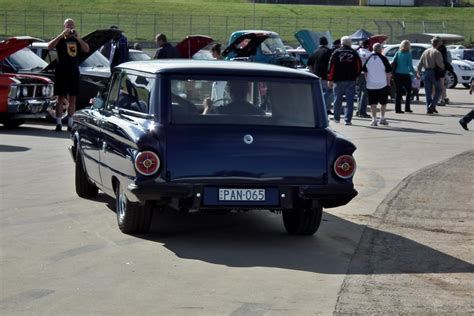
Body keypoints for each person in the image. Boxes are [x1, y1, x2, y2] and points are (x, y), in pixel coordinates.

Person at [48, 18, 90, 132]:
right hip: (61, 71)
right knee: (60, 98)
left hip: (73, 72)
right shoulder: (60, 39)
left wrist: (78, 38)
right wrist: (61, 35)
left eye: (72, 26)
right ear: (64, 26)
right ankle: (59, 123)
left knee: (73, 98)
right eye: (68, 25)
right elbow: (49, 46)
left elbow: (87, 49)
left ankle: (70, 124)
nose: (70, 28)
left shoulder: (76, 40)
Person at [327, 36, 362, 125]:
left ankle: (336, 118)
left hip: (338, 80)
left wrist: (330, 79)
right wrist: (355, 76)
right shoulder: (354, 53)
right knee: (350, 101)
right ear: (350, 43)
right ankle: (348, 120)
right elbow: (359, 67)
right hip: (351, 80)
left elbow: (331, 67)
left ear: (341, 43)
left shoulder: (336, 52)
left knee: (337, 100)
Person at [363, 43, 392, 126]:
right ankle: (382, 118)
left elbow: (365, 71)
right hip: (382, 84)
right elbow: (388, 72)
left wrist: (367, 80)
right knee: (383, 102)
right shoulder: (384, 58)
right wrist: (389, 82)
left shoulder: (368, 58)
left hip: (371, 84)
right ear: (380, 49)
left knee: (373, 103)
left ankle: (374, 119)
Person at [417, 36, 444, 114]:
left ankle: (429, 108)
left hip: (426, 72)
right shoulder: (437, 52)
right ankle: (432, 105)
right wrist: (443, 68)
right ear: (438, 43)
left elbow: (420, 63)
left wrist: (418, 72)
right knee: (439, 89)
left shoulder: (426, 51)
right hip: (434, 72)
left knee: (428, 91)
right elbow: (440, 64)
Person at [307, 36, 333, 115]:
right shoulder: (329, 52)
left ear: (319, 43)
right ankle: (324, 108)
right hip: (326, 77)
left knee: (320, 93)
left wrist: (313, 74)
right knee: (329, 92)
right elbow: (332, 65)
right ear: (327, 43)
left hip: (316, 77)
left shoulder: (314, 52)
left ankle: (323, 108)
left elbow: (309, 65)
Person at [392, 40, 417, 113]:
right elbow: (410, 66)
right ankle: (407, 107)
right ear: (408, 46)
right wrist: (416, 74)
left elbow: (393, 62)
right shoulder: (408, 54)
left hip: (397, 74)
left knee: (398, 92)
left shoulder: (397, 53)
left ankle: (397, 109)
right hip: (405, 74)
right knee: (409, 91)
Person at [356, 39, 371, 118]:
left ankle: (358, 110)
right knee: (364, 94)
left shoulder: (357, 52)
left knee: (359, 93)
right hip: (365, 74)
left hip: (357, 74)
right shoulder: (369, 54)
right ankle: (362, 111)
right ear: (368, 45)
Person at [437, 39, 453, 106]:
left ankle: (441, 98)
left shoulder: (439, 50)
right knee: (443, 84)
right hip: (443, 69)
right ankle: (443, 98)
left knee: (440, 84)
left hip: (439, 69)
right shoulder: (444, 50)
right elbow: (448, 61)